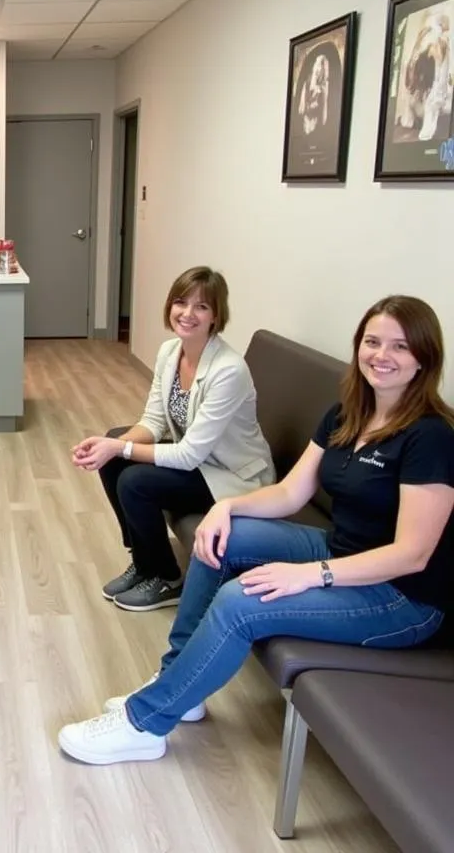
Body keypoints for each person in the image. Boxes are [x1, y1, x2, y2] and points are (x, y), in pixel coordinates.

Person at [58, 295, 454, 766]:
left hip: (399, 597)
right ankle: (180, 685)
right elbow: (290, 494)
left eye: (400, 347)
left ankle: (145, 724)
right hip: (341, 550)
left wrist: (310, 575)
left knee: (241, 601)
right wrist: (226, 507)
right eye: (372, 341)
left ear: (424, 358)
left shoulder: (431, 437)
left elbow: (412, 554)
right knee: (223, 540)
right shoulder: (347, 413)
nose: (381, 356)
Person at [72, 267, 274, 611]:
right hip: (200, 459)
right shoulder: (170, 352)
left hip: (231, 475)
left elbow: (190, 455)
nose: (188, 314)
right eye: (181, 302)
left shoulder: (228, 370)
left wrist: (122, 449)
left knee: (135, 480)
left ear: (216, 316)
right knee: (115, 450)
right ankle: (144, 561)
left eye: (202, 307)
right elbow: (152, 420)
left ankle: (168, 578)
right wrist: (112, 447)